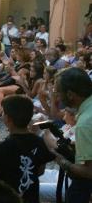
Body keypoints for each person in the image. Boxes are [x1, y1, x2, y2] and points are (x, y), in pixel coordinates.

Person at [0, 95, 55, 203]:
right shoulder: (40, 142)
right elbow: (40, 171)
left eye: (3, 113)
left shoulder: (0, 147)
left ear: (8, 118)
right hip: (30, 197)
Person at [52, 67, 92, 202]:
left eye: (58, 92)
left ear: (70, 94)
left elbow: (89, 171)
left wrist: (63, 161)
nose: (56, 95)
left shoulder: (85, 123)